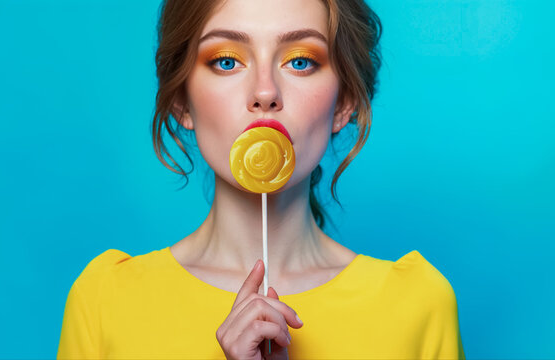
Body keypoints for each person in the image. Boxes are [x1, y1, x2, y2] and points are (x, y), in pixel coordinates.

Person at [57, 0, 465, 358]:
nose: (265, 92)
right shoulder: (105, 302)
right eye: (226, 61)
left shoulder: (417, 307)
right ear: (181, 99)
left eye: (301, 60)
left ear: (344, 103)